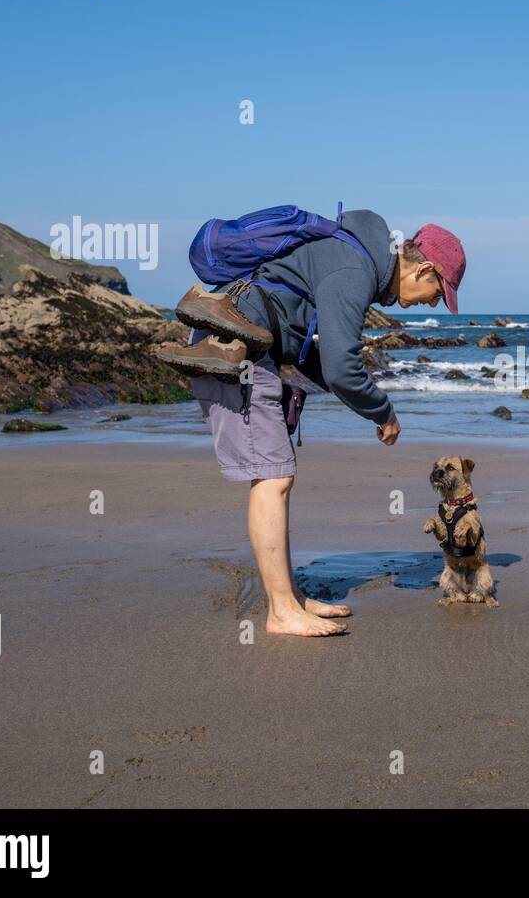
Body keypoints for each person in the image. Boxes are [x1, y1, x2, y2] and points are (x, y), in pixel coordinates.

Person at [155, 211, 467, 636]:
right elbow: (341, 366)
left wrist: (369, 403)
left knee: (276, 475)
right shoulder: (355, 268)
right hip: (232, 351)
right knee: (272, 477)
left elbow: (313, 357)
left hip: (248, 344)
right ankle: (281, 611)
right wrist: (382, 411)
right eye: (436, 291)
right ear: (423, 267)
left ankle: (291, 599)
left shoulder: (355, 258)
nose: (431, 302)